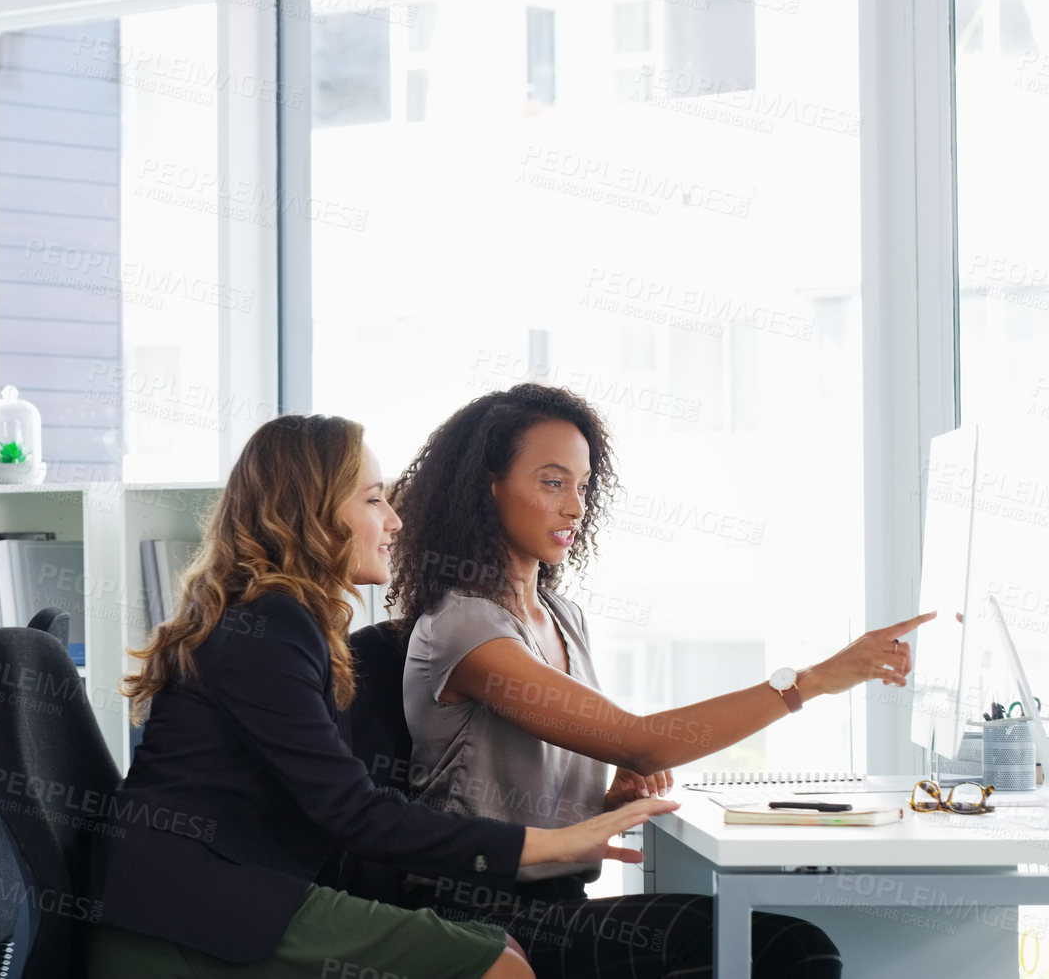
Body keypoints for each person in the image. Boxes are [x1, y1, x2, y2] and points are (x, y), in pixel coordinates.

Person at [86, 413, 678, 979]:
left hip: (229, 898)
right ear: (309, 514)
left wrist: (576, 814)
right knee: (496, 963)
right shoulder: (268, 628)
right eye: (373, 500)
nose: (395, 521)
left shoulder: (287, 623)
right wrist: (551, 844)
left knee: (497, 950)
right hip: (190, 920)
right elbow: (352, 811)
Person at [385, 383, 934, 978]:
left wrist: (595, 791)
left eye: (583, 485)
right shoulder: (466, 627)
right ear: (487, 489)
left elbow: (576, 756)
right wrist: (811, 681)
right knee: (774, 949)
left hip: (557, 901)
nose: (575, 507)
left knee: (780, 947)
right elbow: (640, 740)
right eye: (552, 482)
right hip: (472, 912)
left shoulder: (559, 616)